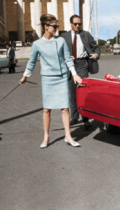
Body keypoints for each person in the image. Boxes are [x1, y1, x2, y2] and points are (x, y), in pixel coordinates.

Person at [19, 14, 82, 149]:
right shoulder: (37, 44)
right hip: (48, 79)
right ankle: (46, 136)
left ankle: (68, 136)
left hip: (61, 77)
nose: (57, 29)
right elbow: (31, 62)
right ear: (46, 27)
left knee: (65, 108)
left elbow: (67, 59)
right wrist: (25, 76)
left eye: (57, 26)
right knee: (47, 109)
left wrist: (75, 74)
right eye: (54, 26)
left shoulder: (60, 41)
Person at [61, 14, 101, 128]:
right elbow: (59, 52)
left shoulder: (86, 35)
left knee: (83, 91)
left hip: (83, 64)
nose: (78, 26)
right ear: (71, 24)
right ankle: (74, 117)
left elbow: (96, 47)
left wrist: (96, 54)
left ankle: (85, 118)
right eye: (75, 24)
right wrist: (67, 57)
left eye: (80, 24)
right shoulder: (64, 36)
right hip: (70, 65)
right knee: (72, 92)